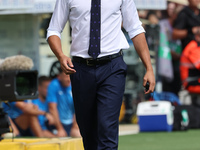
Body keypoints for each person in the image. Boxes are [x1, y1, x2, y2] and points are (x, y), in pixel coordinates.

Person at [46, 0, 155, 149]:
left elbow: (135, 29)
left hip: (112, 67)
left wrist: (149, 68)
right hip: (80, 68)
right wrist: (60, 56)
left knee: (107, 127)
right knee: (88, 131)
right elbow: (53, 30)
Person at [46, 68, 80, 137]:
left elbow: (79, 107)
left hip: (71, 122)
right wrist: (60, 128)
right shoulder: (53, 85)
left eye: (70, 76)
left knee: (77, 134)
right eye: (66, 76)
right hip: (57, 122)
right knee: (60, 135)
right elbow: (52, 108)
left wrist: (75, 126)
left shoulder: (75, 84)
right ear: (59, 77)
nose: (68, 79)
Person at [159, 2, 183, 96]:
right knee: (168, 92)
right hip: (166, 65)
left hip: (179, 66)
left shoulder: (181, 26)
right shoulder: (164, 25)